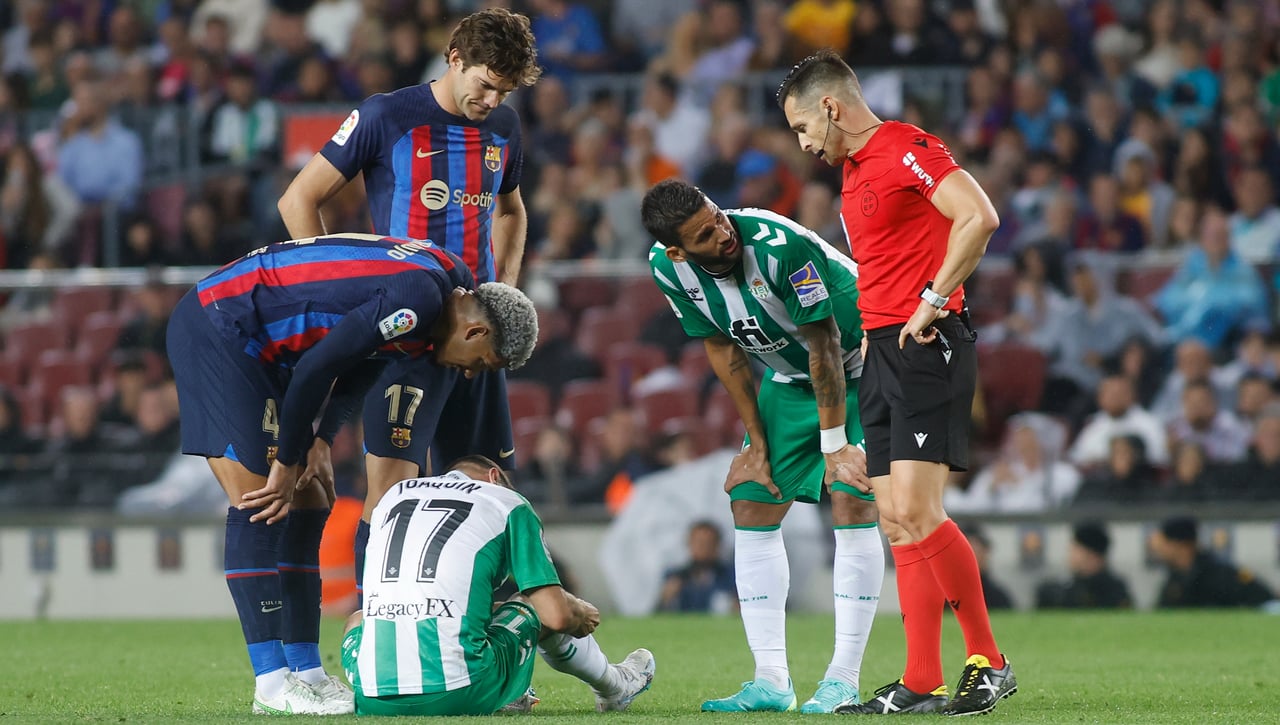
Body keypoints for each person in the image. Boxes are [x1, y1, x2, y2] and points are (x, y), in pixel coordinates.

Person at [166, 233, 538, 715]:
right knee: (261, 499)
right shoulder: (421, 298)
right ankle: (271, 684)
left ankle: (307, 672)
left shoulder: (446, 290)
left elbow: (366, 358)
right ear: (475, 333)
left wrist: (319, 442)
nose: (470, 375)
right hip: (223, 326)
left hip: (267, 348)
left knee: (310, 496)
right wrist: (286, 461)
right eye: (482, 365)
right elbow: (318, 367)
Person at [276, 8, 541, 606]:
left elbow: (511, 211)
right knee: (392, 494)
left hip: (476, 340)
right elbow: (299, 197)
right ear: (454, 58)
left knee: (490, 492)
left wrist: (503, 296)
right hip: (404, 338)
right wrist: (332, 286)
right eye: (484, 83)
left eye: (504, 89)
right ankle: (376, 634)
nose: (492, 98)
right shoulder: (386, 116)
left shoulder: (504, 128)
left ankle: (485, 655)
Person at [778, 50, 1014, 716]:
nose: (803, 145)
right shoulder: (853, 171)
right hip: (881, 347)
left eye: (802, 128)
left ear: (830, 106)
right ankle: (920, 678)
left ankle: (989, 661)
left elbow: (979, 216)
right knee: (895, 521)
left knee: (917, 510)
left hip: (924, 341)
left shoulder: (904, 146)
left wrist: (934, 298)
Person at [642, 180, 884, 714]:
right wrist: (753, 438)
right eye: (706, 234)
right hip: (790, 377)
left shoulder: (777, 246)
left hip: (865, 364)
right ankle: (772, 679)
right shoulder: (666, 268)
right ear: (679, 250)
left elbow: (824, 344)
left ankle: (843, 679)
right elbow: (720, 345)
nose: (723, 233)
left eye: (718, 216)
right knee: (751, 496)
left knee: (849, 491)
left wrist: (835, 444)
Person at [342, 455, 655, 716]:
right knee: (536, 604)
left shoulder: (392, 497)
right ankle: (614, 685)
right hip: (460, 691)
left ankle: (506, 691)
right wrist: (579, 610)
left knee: (359, 619)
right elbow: (556, 615)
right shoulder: (507, 501)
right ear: (495, 476)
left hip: (372, 698)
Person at [1152, 516, 1275, 608]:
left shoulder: (1224, 574)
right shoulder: (1174, 578)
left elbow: (1267, 600)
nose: (1157, 549)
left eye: (1163, 543)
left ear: (1182, 545)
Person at [1035, 522, 1132, 609]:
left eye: (1075, 550)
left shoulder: (1114, 591)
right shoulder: (1058, 591)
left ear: (1092, 555)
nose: (1070, 555)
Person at [659, 520, 737, 613]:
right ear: (689, 544)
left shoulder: (732, 577)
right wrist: (665, 599)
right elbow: (656, 614)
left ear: (718, 545)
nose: (704, 548)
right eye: (699, 543)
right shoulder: (675, 576)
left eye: (709, 543)